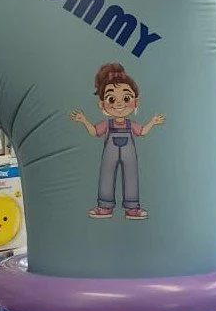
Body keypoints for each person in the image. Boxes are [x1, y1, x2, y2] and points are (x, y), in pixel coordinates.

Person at [71, 62, 165, 219]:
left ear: (136, 101)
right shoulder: (107, 125)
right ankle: (105, 206)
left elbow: (142, 132)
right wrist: (84, 120)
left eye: (126, 97)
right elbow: (94, 132)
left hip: (129, 151)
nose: (120, 103)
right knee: (106, 175)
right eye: (112, 99)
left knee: (131, 176)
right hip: (110, 151)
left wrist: (153, 122)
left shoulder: (131, 125)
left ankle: (132, 208)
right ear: (102, 104)